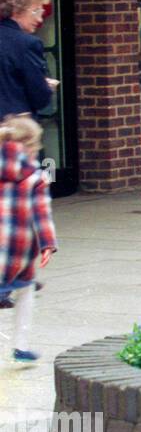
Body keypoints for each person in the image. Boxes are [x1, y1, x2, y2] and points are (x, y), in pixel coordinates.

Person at [0, 114, 55, 363]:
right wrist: (47, 244)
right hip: (18, 252)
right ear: (31, 147)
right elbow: (41, 214)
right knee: (25, 293)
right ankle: (20, 347)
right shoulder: (35, 178)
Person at [0, 0, 56, 119]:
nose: (40, 19)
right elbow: (40, 97)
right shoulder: (28, 44)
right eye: (36, 11)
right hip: (16, 127)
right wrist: (47, 87)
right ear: (19, 8)